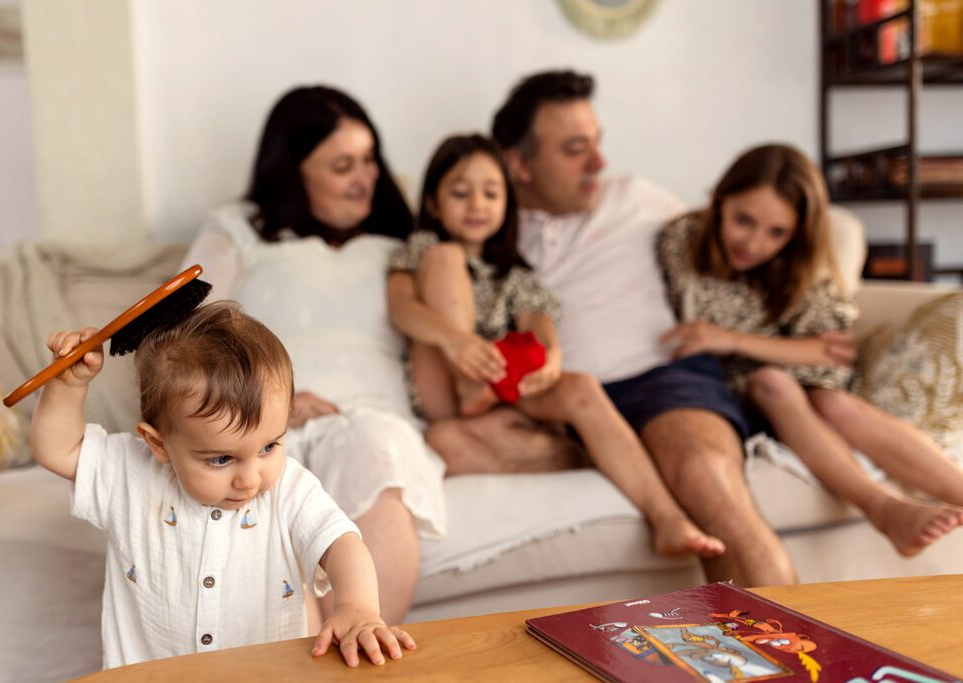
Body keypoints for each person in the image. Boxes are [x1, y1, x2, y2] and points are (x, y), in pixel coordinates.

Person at [409, 70, 798, 587]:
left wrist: (804, 347)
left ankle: (798, 654)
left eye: (597, 143)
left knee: (702, 470)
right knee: (446, 444)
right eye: (575, 149)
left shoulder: (638, 200)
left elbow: (753, 242)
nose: (599, 162)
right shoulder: (484, 229)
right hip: (552, 410)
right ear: (518, 165)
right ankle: (612, 453)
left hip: (660, 384)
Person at [387, 133, 724, 558]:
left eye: (491, 193)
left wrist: (553, 357)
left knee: (575, 388)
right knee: (446, 261)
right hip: (448, 387)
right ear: (433, 203)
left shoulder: (513, 274)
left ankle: (668, 519)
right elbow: (402, 309)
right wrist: (456, 341)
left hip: (500, 397)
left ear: (507, 204)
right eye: (459, 192)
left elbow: (538, 321)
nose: (476, 204)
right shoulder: (422, 251)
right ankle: (487, 395)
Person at [183, 86, 446, 625]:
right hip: (266, 420)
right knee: (265, 482)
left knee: (377, 446)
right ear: (293, 171)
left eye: (371, 159)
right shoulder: (242, 229)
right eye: (342, 165)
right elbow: (182, 335)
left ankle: (363, 648)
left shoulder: (403, 243)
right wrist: (267, 402)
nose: (366, 177)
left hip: (375, 418)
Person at [30, 301, 415, 669]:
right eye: (220, 459)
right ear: (159, 443)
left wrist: (358, 606)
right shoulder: (129, 473)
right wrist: (68, 384)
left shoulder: (289, 489)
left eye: (269, 446)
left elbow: (341, 544)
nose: (250, 478)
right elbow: (58, 449)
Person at [657, 143, 963, 557]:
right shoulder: (682, 239)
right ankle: (883, 508)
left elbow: (831, 352)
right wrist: (784, 349)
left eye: (776, 232)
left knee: (836, 406)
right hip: (729, 392)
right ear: (721, 199)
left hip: (810, 385)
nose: (753, 242)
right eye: (743, 220)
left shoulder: (800, 260)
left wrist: (728, 338)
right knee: (772, 382)